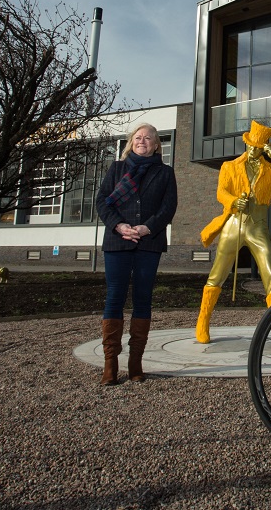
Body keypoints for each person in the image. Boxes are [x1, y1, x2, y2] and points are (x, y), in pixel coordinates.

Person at [196, 120, 271, 347]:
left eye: (259, 146)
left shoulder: (270, 170)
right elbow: (221, 192)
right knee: (217, 275)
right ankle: (202, 323)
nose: (254, 150)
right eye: (251, 145)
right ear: (246, 144)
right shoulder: (230, 166)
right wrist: (234, 201)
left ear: (266, 146)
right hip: (233, 225)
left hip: (259, 227)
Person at [95, 123, 178, 385]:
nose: (143, 141)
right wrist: (119, 226)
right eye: (138, 138)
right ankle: (110, 364)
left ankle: (135, 363)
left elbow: (168, 207)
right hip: (117, 241)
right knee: (114, 298)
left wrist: (146, 228)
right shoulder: (117, 169)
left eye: (148, 138)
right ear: (132, 143)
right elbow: (102, 201)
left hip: (148, 242)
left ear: (156, 145)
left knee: (143, 299)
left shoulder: (165, 173)